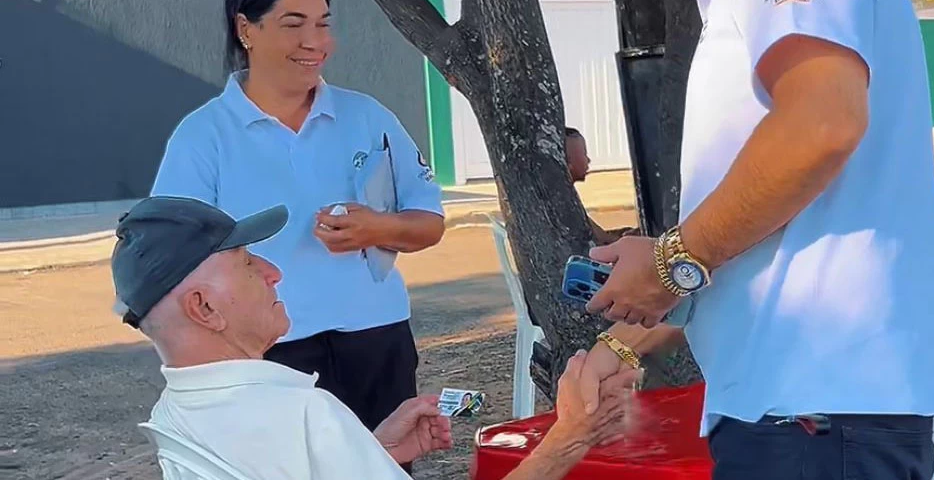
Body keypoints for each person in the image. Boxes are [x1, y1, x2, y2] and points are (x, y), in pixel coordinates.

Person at [573, 0, 934, 480]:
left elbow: (821, 124)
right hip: (805, 409)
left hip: (817, 411)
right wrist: (626, 342)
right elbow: (757, 232)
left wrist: (668, 262)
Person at [111, 196, 640, 480]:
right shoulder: (301, 417)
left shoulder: (177, 412)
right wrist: (573, 435)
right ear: (203, 308)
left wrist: (369, 451)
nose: (273, 272)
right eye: (248, 264)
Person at [150, 0, 445, 440]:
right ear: (246, 28)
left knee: (386, 466)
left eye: (324, 24)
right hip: (268, 351)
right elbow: (172, 259)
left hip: (376, 339)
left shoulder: (367, 117)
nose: (315, 43)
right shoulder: (203, 136)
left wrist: (380, 227)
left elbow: (429, 221)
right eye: (294, 24)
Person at [565, 127, 636, 245]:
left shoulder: (568, 197)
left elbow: (600, 234)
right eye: (584, 154)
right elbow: (601, 238)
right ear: (567, 162)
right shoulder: (565, 201)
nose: (589, 159)